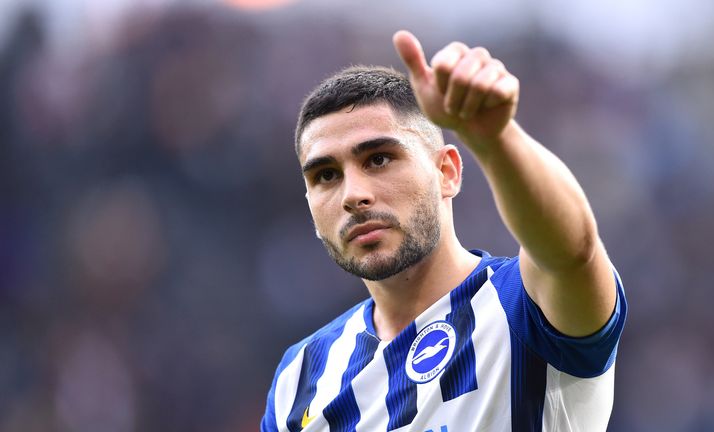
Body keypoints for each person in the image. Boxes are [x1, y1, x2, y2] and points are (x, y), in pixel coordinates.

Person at [261, 30, 627, 432]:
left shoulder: (522, 307)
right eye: (326, 175)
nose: (353, 195)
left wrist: (494, 138)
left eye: (379, 159)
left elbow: (573, 251)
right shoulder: (299, 378)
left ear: (446, 172)